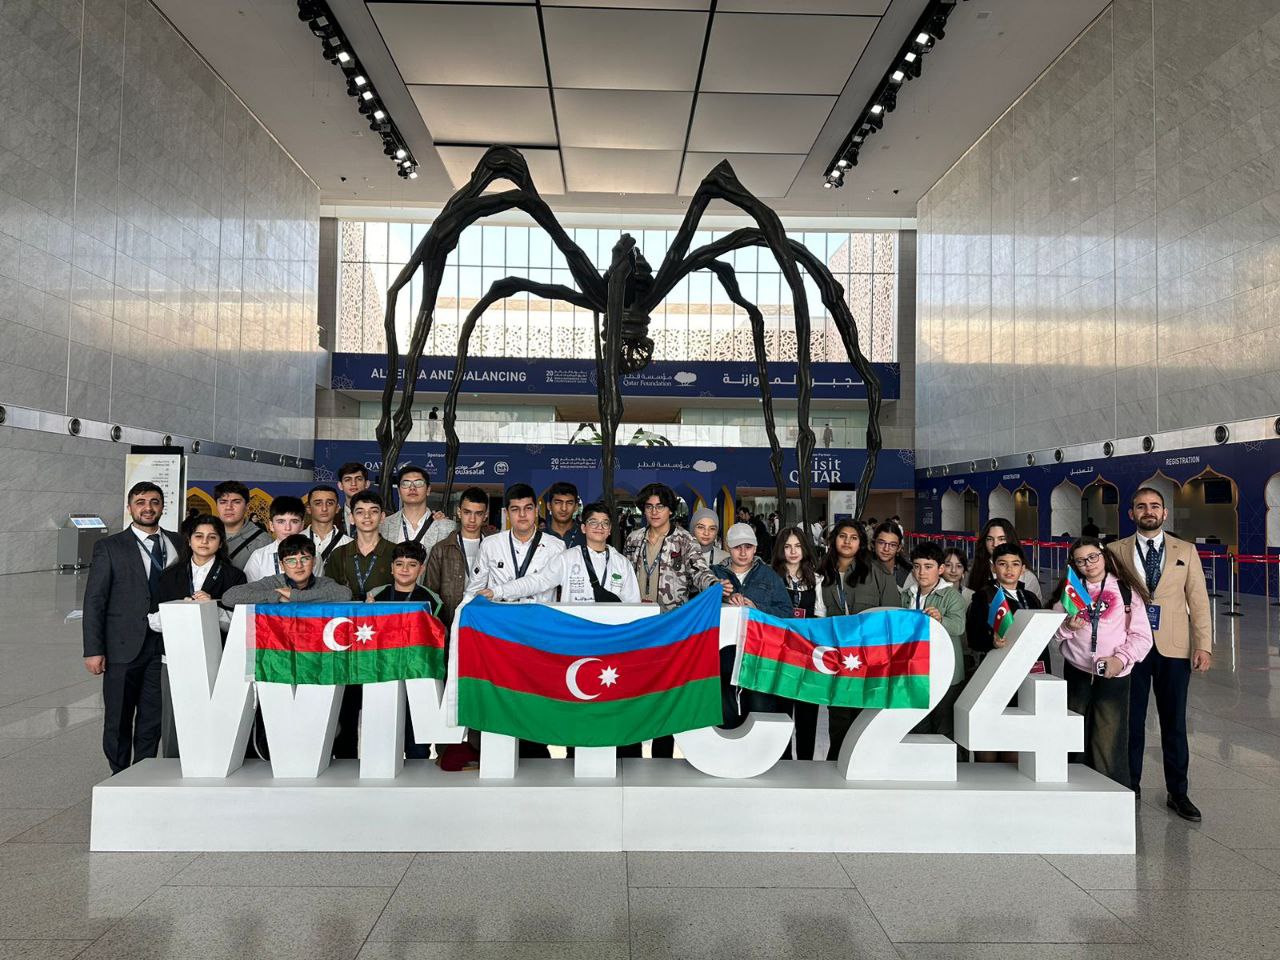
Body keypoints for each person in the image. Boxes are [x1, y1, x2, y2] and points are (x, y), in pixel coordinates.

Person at [1107, 487, 1212, 821]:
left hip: (1174, 647)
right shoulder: (1114, 551)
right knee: (1131, 721)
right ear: (1131, 513)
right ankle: (1129, 785)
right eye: (1141, 506)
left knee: (1174, 722)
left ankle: (1178, 793)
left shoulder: (1186, 550)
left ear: (1165, 513)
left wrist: (1203, 644)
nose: (1148, 511)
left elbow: (1198, 600)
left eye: (1154, 506)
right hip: (1129, 647)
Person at [82, 482, 182, 773]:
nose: (147, 508)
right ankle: (118, 773)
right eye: (140, 502)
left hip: (164, 646)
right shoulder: (110, 547)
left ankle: (142, 773)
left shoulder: (179, 542)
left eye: (154, 502)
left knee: (153, 716)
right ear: (129, 508)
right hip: (123, 646)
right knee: (118, 717)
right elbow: (95, 600)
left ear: (162, 506)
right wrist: (93, 650)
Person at [625, 482, 725, 758]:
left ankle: (661, 757)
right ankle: (629, 753)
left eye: (660, 506)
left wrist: (714, 585)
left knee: (664, 694)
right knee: (633, 690)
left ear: (670, 510)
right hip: (637, 627)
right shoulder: (633, 539)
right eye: (649, 507)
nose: (654, 512)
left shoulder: (685, 540)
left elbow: (699, 571)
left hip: (670, 627)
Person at [1052, 538, 1152, 788]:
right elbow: (1054, 634)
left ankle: (1110, 792)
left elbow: (1142, 636)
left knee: (1109, 738)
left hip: (1113, 674)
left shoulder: (1126, 590)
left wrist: (1121, 659)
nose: (1089, 564)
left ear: (1104, 555)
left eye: (1093, 557)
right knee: (1074, 735)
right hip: (1077, 673)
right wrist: (1068, 627)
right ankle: (1073, 790)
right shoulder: (1071, 591)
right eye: (1081, 561)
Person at [817, 518, 899, 759]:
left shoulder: (878, 572)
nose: (847, 542)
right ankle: (835, 766)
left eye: (853, 538)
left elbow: (893, 616)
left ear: (861, 543)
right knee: (839, 721)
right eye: (843, 536)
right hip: (836, 661)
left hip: (869, 661)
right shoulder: (821, 573)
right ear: (834, 540)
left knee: (866, 721)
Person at [325, 490, 398, 760]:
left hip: (383, 641)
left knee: (382, 704)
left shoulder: (395, 553)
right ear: (352, 517)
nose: (367, 517)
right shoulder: (339, 555)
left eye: (373, 511)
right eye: (360, 512)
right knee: (346, 704)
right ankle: (344, 762)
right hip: (345, 641)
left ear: (382, 516)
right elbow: (328, 596)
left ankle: (382, 763)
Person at [966, 542, 1045, 763]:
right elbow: (973, 637)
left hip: (1026, 674)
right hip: (995, 674)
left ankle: (1011, 779)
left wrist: (1043, 672)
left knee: (1016, 732)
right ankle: (987, 778)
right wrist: (991, 641)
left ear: (1023, 568)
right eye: (1003, 564)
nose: (1009, 569)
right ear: (993, 567)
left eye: (1015, 564)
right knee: (991, 731)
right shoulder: (984, 596)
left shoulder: (1030, 597)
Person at [480, 501, 639, 603]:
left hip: (611, 634)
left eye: (605, 523)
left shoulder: (621, 563)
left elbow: (633, 604)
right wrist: (497, 591)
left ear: (610, 529)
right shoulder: (568, 558)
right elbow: (538, 581)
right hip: (574, 633)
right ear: (583, 528)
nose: (599, 527)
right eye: (593, 522)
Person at [901, 542, 967, 740]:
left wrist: (941, 619)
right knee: (918, 729)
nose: (921, 572)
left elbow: (959, 627)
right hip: (915, 672)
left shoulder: (951, 596)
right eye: (917, 566)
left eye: (928, 567)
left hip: (945, 673)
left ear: (940, 569)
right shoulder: (907, 595)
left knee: (944, 730)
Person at [772, 525, 825, 759]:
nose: (793, 552)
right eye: (787, 546)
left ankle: (806, 766)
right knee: (781, 716)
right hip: (779, 655)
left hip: (807, 656)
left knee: (807, 716)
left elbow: (821, 618)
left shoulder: (817, 579)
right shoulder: (771, 578)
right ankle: (781, 764)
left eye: (797, 546)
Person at [467, 483, 566, 603]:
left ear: (536, 511)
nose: (522, 514)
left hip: (539, 614)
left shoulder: (556, 547)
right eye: (515, 509)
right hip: (499, 614)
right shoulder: (490, 545)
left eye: (528, 508)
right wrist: (462, 613)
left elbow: (554, 586)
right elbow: (473, 591)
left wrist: (497, 591)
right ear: (507, 513)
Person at [150, 514, 246, 634]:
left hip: (217, 644)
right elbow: (152, 621)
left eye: (212, 537)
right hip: (175, 642)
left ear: (221, 543)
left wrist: (213, 609)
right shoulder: (169, 575)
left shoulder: (235, 577)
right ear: (189, 541)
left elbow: (241, 624)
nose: (204, 541)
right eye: (199, 536)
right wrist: (178, 610)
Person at [425, 486, 490, 629]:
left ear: (485, 515)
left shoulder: (495, 547)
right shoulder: (441, 549)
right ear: (459, 512)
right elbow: (431, 594)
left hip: (485, 624)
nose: (472, 519)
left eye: (478, 514)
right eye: (467, 512)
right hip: (450, 623)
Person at [222, 535, 352, 605]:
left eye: (305, 559)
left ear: (314, 562)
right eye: (291, 561)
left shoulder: (323, 583)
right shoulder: (272, 583)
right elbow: (229, 597)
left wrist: (293, 596)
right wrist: (277, 596)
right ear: (282, 565)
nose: (299, 565)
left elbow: (345, 594)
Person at [380, 465, 454, 560]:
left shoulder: (448, 528)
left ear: (428, 490)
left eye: (419, 483)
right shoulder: (383, 526)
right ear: (399, 491)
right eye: (406, 483)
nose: (412, 488)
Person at [968, 519, 1042, 599]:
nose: (995, 544)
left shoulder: (1028, 577)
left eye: (1001, 539)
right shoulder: (973, 572)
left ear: (1010, 540)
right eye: (990, 539)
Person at [242, 496, 307, 582]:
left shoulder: (313, 555)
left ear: (302, 525)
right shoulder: (258, 557)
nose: (287, 528)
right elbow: (249, 589)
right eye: (281, 522)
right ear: (271, 525)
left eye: (294, 521)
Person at [214, 480, 269, 570]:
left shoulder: (263, 541)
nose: (228, 507)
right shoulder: (201, 536)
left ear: (246, 506)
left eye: (236, 502)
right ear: (216, 505)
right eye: (223, 502)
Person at [304, 484, 350, 576]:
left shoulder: (350, 544)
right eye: (318, 503)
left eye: (330, 503)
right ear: (309, 509)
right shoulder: (295, 541)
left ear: (337, 508)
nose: (324, 508)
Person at [542, 481, 585, 548]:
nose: (564, 508)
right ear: (549, 506)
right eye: (558, 502)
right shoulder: (539, 537)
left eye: (569, 503)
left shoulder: (586, 535)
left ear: (576, 507)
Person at [871, 521, 910, 587]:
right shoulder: (863, 570)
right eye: (881, 543)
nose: (886, 549)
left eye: (892, 545)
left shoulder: (908, 573)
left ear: (899, 548)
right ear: (873, 544)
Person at [337, 461, 371, 537]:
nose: (353, 483)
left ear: (367, 484)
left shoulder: (386, 517)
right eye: (348, 479)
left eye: (358, 479)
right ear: (340, 485)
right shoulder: (332, 517)